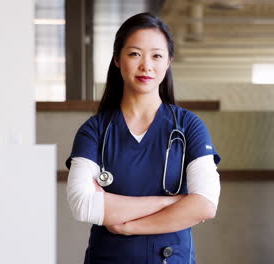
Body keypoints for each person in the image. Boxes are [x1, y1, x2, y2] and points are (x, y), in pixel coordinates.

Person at [65, 12, 221, 263]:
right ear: (117, 59)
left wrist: (128, 226)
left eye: (157, 55)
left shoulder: (189, 126)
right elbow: (83, 204)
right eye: (135, 54)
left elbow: (205, 205)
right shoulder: (94, 130)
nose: (146, 65)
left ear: (169, 61)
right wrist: (171, 202)